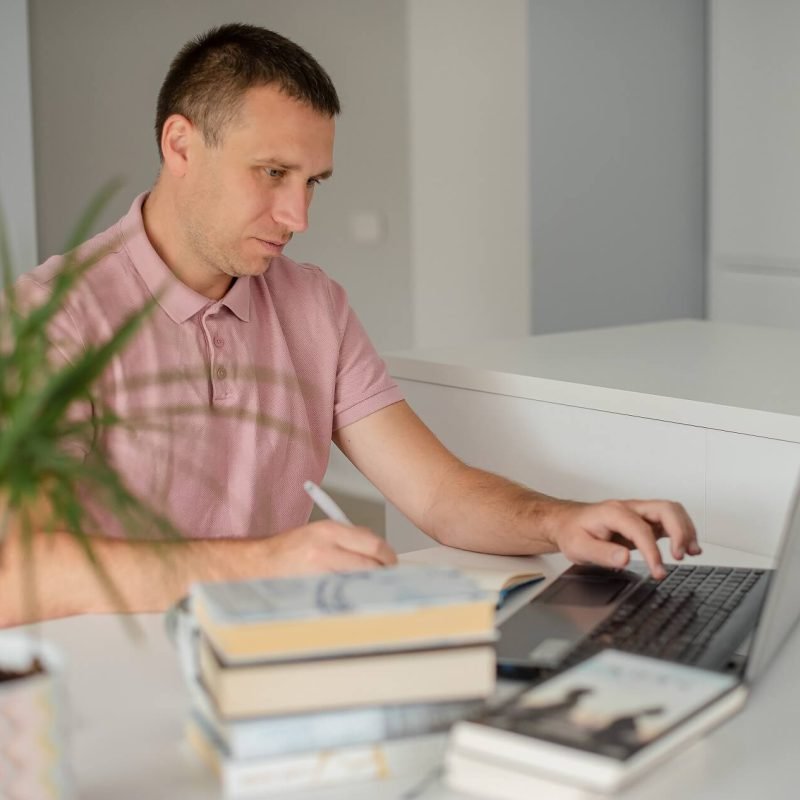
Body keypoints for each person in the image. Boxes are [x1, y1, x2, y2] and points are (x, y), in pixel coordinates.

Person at [0, 23, 699, 626]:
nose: (298, 218)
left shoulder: (314, 304)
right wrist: (266, 562)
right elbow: (17, 575)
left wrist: (560, 521)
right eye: (273, 173)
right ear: (180, 145)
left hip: (275, 656)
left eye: (312, 183)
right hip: (111, 689)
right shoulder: (51, 319)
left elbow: (439, 492)